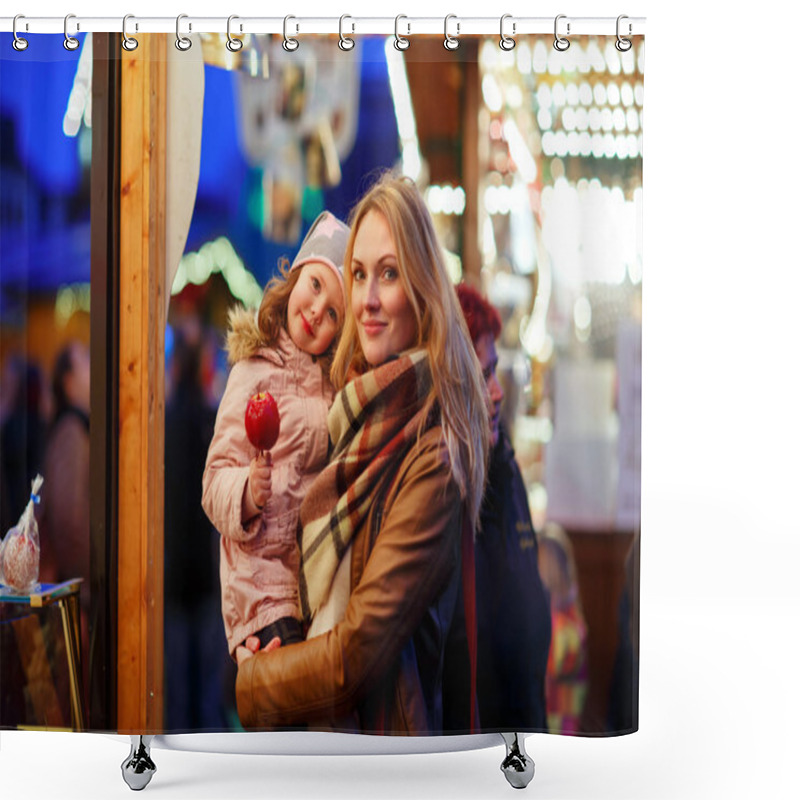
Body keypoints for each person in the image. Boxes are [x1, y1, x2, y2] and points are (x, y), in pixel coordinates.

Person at [234, 174, 490, 735]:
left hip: (382, 754)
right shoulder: (348, 413)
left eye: (390, 274)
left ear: (422, 287)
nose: (367, 299)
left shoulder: (433, 453)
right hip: (325, 741)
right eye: (358, 275)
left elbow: (356, 652)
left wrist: (257, 681)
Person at [202, 211, 349, 663]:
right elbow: (213, 481)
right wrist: (247, 491)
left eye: (332, 315)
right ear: (297, 273)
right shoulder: (254, 368)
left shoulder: (333, 387)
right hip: (261, 587)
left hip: (309, 584)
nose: (315, 311)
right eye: (315, 285)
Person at [455, 284, 552, 732]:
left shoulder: (505, 468)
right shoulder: (446, 495)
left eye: (494, 373)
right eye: (481, 378)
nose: (496, 392)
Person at [38, 340, 92, 697]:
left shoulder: (73, 430)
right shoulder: (72, 434)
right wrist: (89, 586)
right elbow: (70, 521)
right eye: (85, 361)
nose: (94, 369)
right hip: (70, 602)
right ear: (69, 383)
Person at [537, 522, 588, 735]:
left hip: (558, 724)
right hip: (558, 719)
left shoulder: (564, 625)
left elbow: (547, 669)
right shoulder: (567, 616)